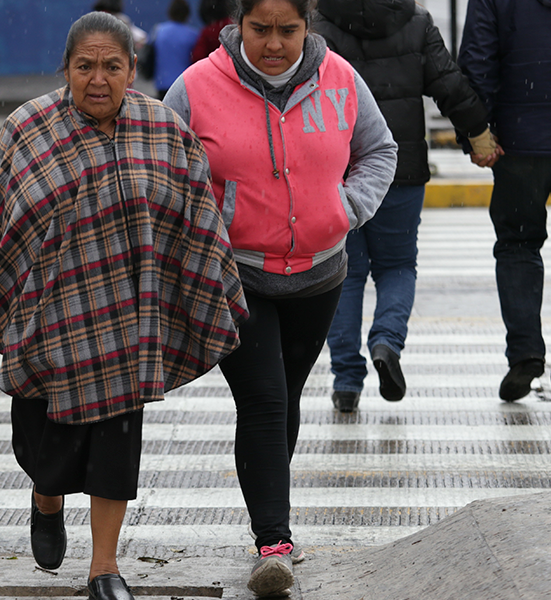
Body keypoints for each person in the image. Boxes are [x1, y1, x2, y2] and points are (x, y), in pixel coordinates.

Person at [0, 12, 247, 600]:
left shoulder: (162, 128)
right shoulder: (28, 128)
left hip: (128, 326)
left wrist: (200, 285)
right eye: (85, 65)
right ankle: (46, 496)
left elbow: (195, 218)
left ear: (132, 70)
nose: (98, 78)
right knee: (44, 447)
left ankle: (104, 567)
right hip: (48, 322)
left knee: (116, 443)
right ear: (66, 69)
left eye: (112, 66)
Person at [163, 0, 396, 594]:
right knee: (264, 398)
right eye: (260, 29)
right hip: (235, 272)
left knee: (285, 396)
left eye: (286, 30)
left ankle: (270, 503)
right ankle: (273, 540)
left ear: (306, 26)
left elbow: (380, 151)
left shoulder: (340, 79)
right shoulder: (196, 87)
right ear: (238, 24)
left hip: (319, 275)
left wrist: (344, 210)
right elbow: (163, 169)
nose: (273, 43)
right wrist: (205, 231)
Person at [314, 0, 498, 412]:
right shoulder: (415, 22)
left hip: (338, 171)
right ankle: (386, 340)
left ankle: (346, 380)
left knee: (344, 273)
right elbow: (449, 84)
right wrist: (478, 133)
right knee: (397, 266)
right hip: (401, 167)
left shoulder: (318, 26)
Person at [459, 0, 551, 409]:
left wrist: (476, 129)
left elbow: (478, 58)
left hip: (519, 137)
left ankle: (525, 353)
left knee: (517, 244)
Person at [149, 0, 199, 100]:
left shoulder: (159, 30)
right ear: (187, 14)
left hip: (162, 82)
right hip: (184, 84)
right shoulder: (193, 35)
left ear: (170, 12)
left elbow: (149, 52)